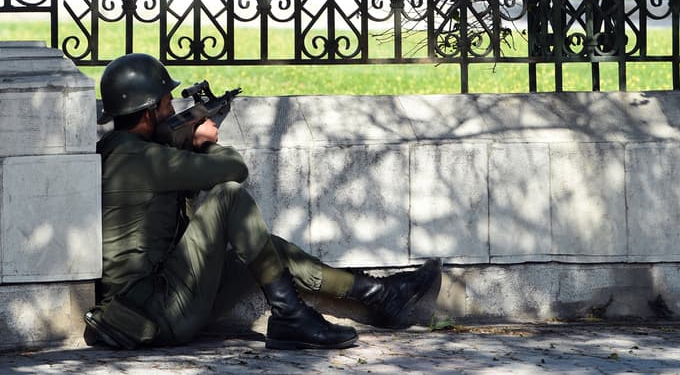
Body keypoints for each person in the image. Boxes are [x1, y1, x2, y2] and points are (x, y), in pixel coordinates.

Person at [84, 53, 440, 350]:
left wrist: (178, 142)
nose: (171, 110)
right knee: (228, 196)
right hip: (157, 311)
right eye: (166, 104)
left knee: (265, 249)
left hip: (156, 302)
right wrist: (206, 142)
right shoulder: (144, 160)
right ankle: (289, 317)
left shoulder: (119, 152)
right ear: (148, 113)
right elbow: (233, 169)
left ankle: (380, 294)